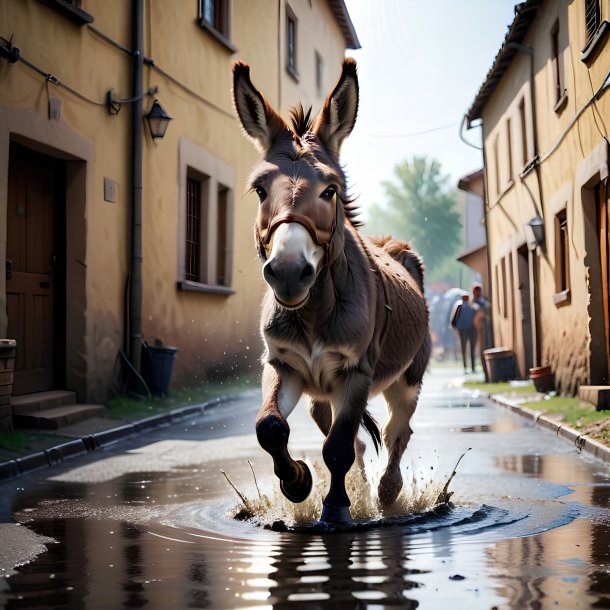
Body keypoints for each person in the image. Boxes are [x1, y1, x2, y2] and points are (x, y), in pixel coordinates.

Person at [451, 293, 477, 373]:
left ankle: (471, 367)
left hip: (469, 329)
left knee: (468, 348)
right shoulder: (462, 306)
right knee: (466, 348)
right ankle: (467, 367)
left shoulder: (471, 306)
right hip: (464, 329)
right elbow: (455, 318)